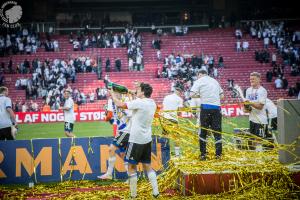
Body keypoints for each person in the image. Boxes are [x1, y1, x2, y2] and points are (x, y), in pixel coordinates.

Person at [110, 83, 159, 198]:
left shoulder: (139, 102)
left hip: (136, 139)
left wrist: (112, 94)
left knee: (132, 167)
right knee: (147, 165)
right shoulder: (152, 103)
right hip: (147, 138)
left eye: (138, 89)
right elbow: (139, 100)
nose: (136, 90)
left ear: (142, 92)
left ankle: (133, 195)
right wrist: (132, 93)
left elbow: (120, 104)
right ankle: (156, 192)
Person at [98, 83, 138, 180]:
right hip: (123, 129)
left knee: (112, 149)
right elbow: (111, 116)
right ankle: (132, 177)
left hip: (127, 130)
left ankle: (109, 174)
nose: (114, 93)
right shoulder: (112, 100)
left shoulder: (124, 100)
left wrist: (121, 109)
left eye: (115, 91)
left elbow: (131, 113)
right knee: (123, 154)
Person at [190, 69, 224, 160]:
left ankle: (203, 155)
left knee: (203, 133)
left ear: (199, 74)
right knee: (217, 133)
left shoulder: (199, 80)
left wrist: (202, 95)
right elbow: (222, 96)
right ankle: (218, 155)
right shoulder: (215, 81)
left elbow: (191, 94)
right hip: (217, 109)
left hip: (205, 108)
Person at [244, 72, 268, 148]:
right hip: (252, 119)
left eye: (253, 79)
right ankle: (255, 158)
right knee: (252, 142)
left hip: (261, 120)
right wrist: (246, 108)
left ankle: (260, 159)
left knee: (259, 142)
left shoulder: (262, 90)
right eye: (250, 79)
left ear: (259, 79)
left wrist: (250, 103)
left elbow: (260, 106)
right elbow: (248, 108)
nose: (251, 80)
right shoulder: (248, 90)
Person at [162, 83, 184, 157]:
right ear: (180, 91)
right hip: (173, 119)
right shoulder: (179, 99)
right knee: (176, 137)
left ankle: (164, 153)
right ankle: (177, 154)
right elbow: (179, 112)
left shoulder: (166, 97)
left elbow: (163, 107)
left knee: (165, 136)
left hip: (165, 119)